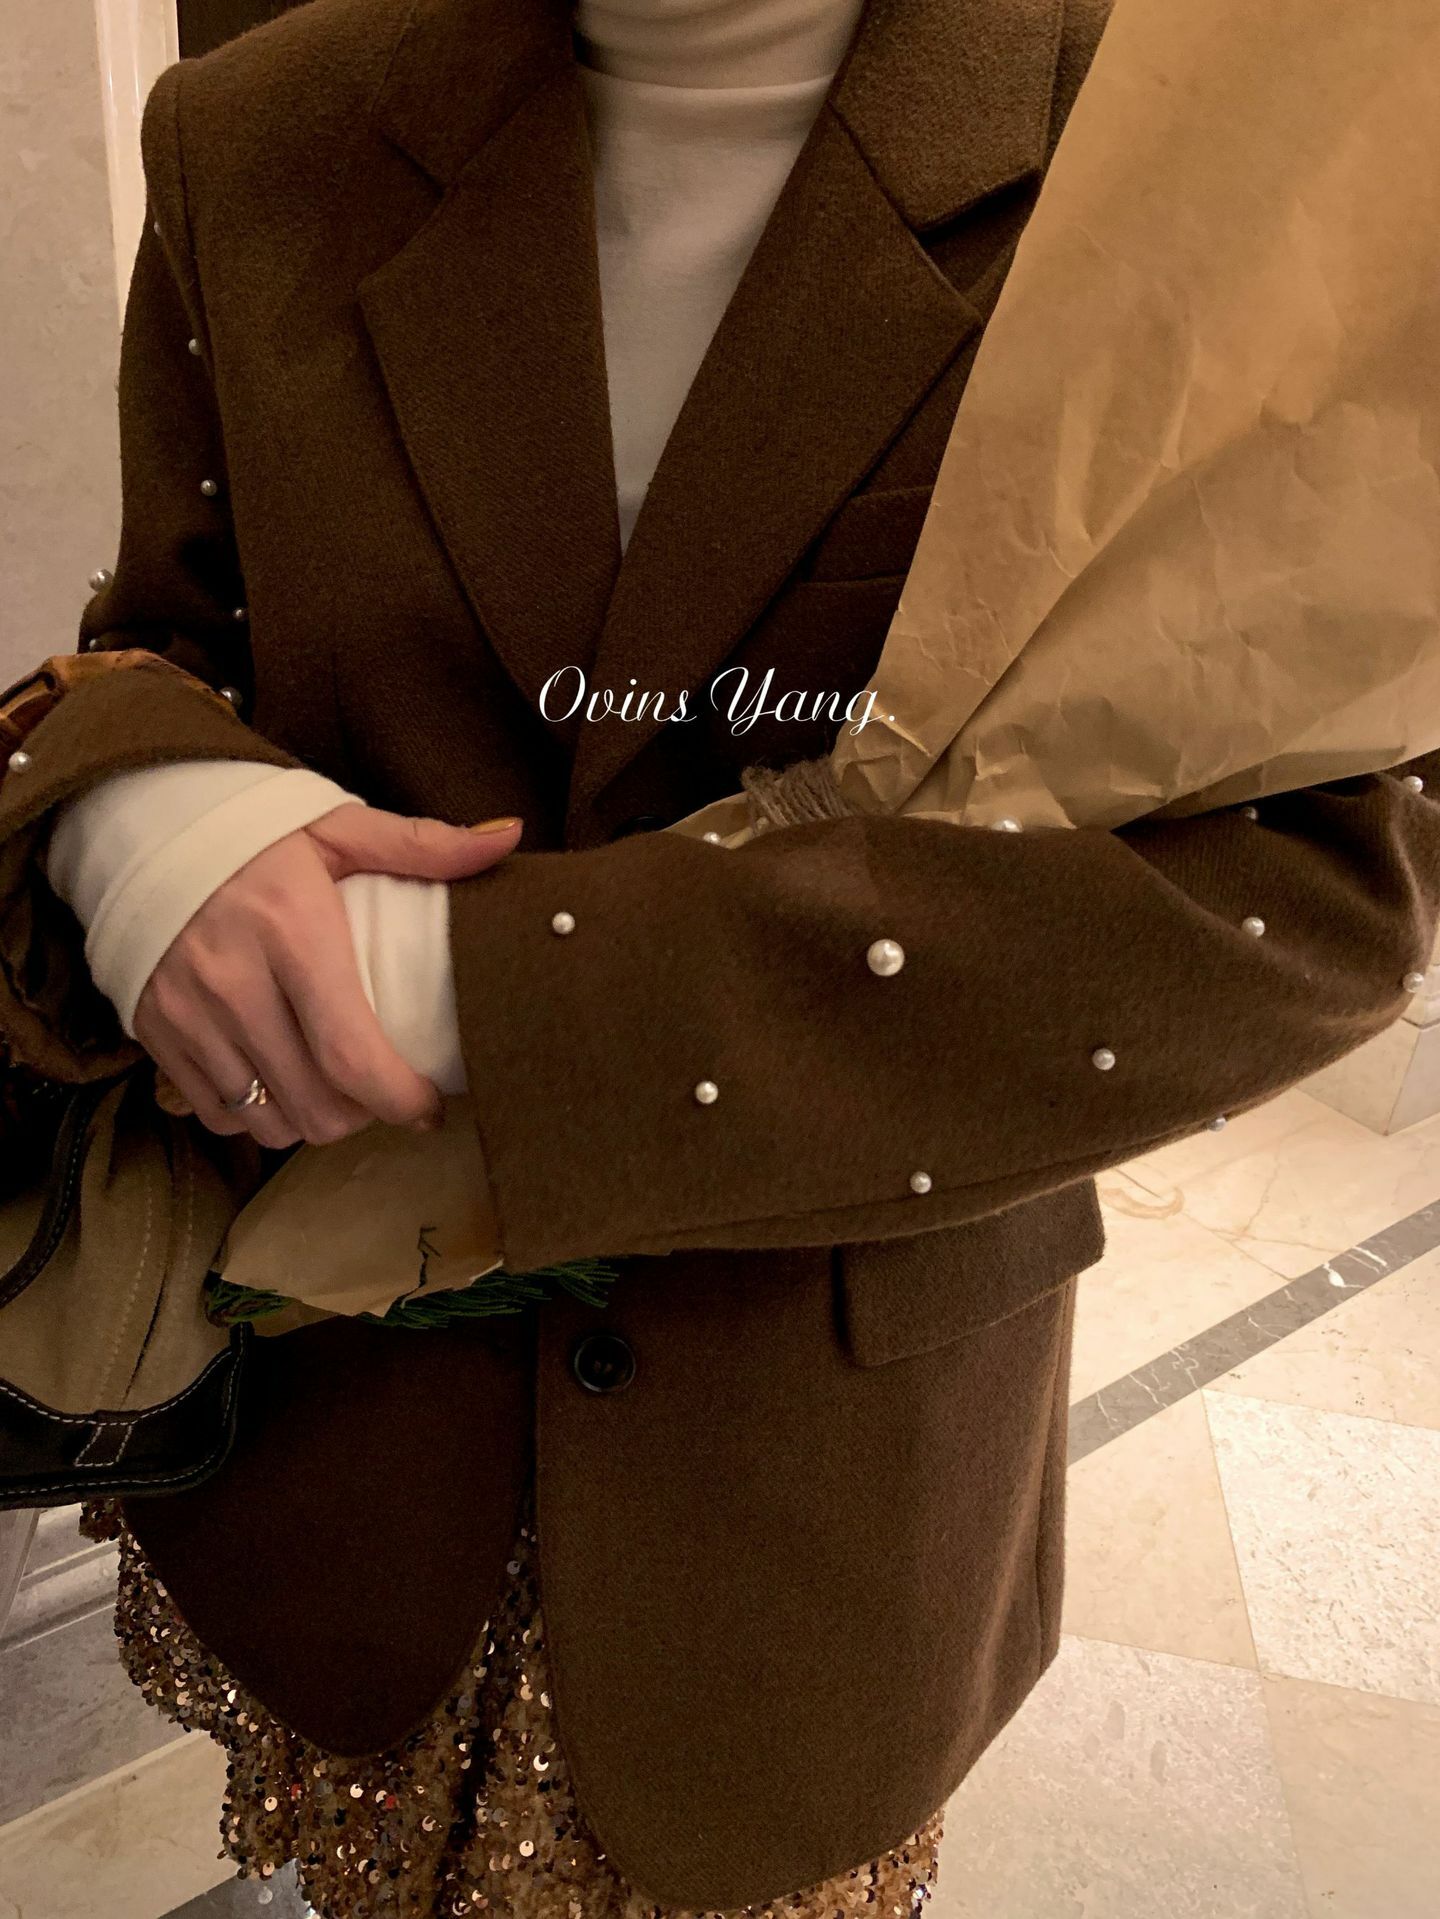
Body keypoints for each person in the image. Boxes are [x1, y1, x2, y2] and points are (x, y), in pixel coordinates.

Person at [2, 0, 1437, 1912]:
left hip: (817, 1495)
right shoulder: (255, 133)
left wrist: (480, 996)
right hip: (338, 1455)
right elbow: (170, 641)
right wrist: (139, 825)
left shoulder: (1186, 132)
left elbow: (1312, 880)